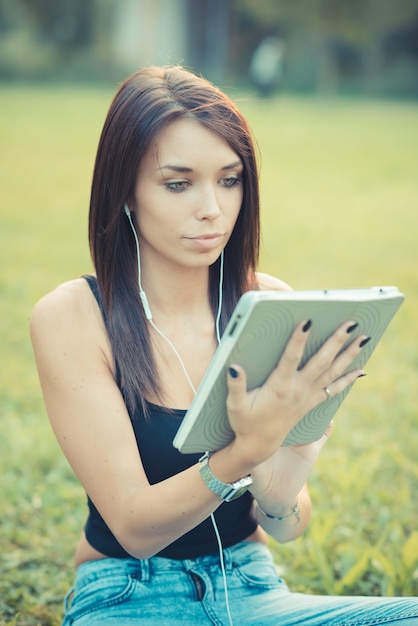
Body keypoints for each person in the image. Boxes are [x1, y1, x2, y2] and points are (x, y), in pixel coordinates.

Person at [30, 66, 418, 626]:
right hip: (128, 596)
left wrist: (281, 484)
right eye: (178, 183)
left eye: (230, 179)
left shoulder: (270, 304)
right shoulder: (73, 315)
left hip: (252, 585)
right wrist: (242, 452)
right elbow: (135, 529)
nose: (212, 207)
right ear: (125, 192)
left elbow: (286, 527)